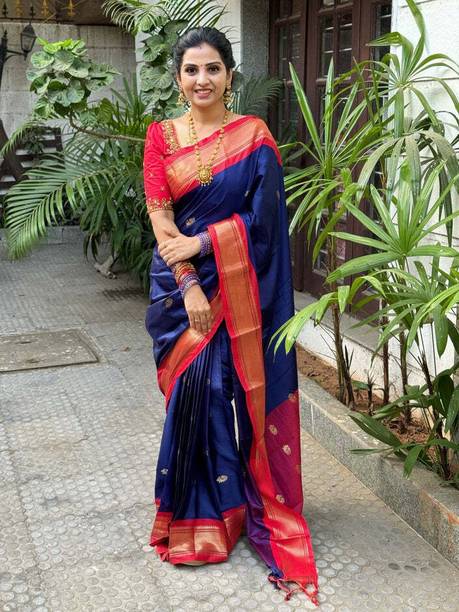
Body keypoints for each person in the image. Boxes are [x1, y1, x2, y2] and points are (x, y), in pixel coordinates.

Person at [143, 26, 319, 606]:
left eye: (212, 69)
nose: (202, 80)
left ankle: (233, 509)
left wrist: (204, 244)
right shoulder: (160, 138)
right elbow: (162, 222)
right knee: (193, 393)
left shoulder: (253, 137)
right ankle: (194, 515)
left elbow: (264, 224)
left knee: (225, 391)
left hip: (235, 283)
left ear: (229, 75)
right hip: (180, 292)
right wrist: (190, 282)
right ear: (178, 78)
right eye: (191, 70)